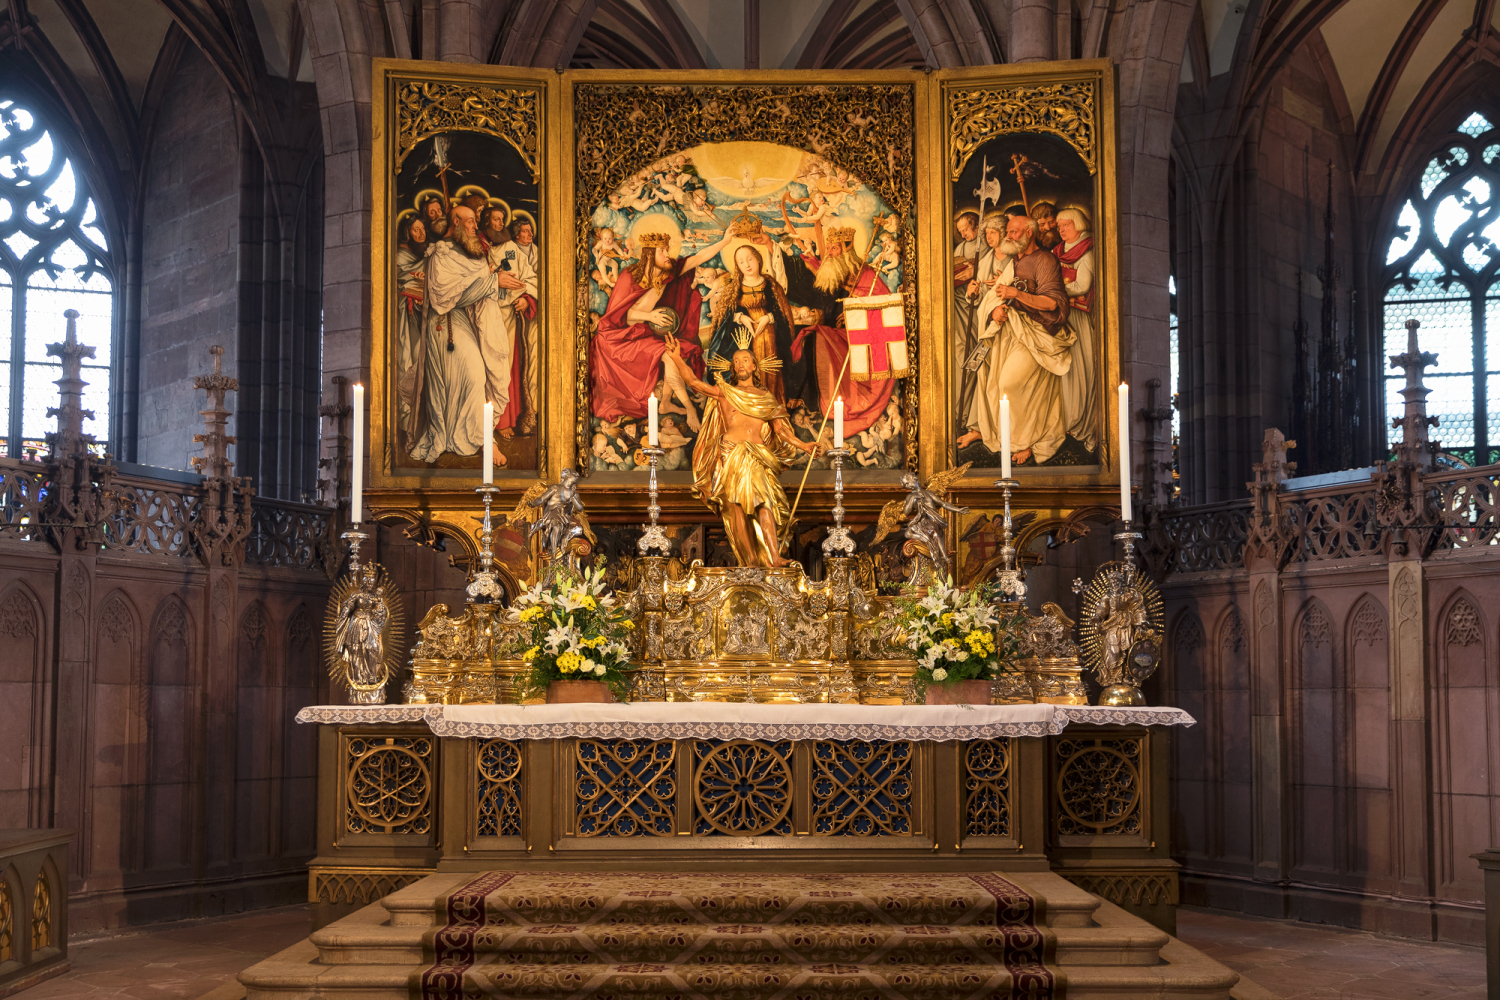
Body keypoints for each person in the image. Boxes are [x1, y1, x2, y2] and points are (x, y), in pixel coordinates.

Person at [663, 334, 819, 567]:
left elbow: (780, 430)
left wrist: (804, 445)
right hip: (731, 453)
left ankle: (774, 557)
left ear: (754, 366)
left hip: (756, 454)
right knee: (735, 506)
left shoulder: (766, 398)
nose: (740, 364)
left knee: (765, 502)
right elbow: (694, 383)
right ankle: (750, 562)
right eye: (736, 361)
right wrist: (676, 358)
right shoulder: (725, 392)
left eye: (745, 360)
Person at [959, 213, 1073, 465]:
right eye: (1008, 231)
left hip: (1037, 334)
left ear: (1029, 233)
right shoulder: (1014, 260)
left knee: (1009, 383)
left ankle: (1027, 441)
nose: (1008, 236)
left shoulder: (1045, 260)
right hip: (1011, 331)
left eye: (1014, 232)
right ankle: (998, 433)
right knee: (993, 382)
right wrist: (994, 310)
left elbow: (1052, 304)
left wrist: (1016, 294)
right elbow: (997, 296)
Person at [589, 229, 732, 424]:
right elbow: (619, 316)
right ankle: (688, 408)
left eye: (667, 250)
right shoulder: (630, 276)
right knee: (667, 353)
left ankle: (666, 403)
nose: (667, 254)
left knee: (674, 352)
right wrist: (650, 316)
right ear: (649, 254)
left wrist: (725, 241)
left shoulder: (667, 273)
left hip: (642, 333)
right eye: (662, 251)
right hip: (619, 338)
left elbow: (698, 258)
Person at [409, 204, 514, 464]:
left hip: (463, 322)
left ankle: (466, 435)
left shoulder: (466, 252)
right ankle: (483, 440)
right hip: (445, 324)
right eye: (470, 221)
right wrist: (493, 282)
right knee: (473, 375)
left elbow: (475, 286)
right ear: (455, 221)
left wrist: (496, 279)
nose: (475, 226)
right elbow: (450, 297)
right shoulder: (441, 254)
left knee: (471, 379)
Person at [706, 243, 798, 405]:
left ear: (758, 259)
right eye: (741, 262)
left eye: (750, 259)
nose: (747, 264)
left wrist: (769, 317)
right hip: (744, 341)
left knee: (772, 373)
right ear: (737, 266)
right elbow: (723, 319)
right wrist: (739, 318)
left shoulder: (772, 285)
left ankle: (772, 406)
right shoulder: (733, 288)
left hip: (770, 339)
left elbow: (783, 313)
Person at [1053, 207, 1098, 453]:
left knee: (1079, 368)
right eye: (1059, 226)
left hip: (1077, 317)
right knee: (1061, 372)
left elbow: (1082, 285)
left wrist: (1053, 290)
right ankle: (1064, 422)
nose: (1061, 229)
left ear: (1078, 225)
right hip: (1059, 315)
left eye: (1066, 225)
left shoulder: (1087, 252)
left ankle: (1079, 422)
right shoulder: (1057, 251)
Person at [395, 216, 428, 440]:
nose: (421, 233)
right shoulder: (400, 256)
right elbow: (402, 280)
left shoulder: (418, 256)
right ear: (407, 232)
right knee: (410, 360)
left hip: (419, 315)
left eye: (423, 229)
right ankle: (408, 422)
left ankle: (419, 422)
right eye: (416, 230)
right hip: (407, 320)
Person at [511, 218, 541, 435]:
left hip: (535, 316)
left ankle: (534, 409)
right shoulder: (509, 251)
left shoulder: (538, 253)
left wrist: (529, 299)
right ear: (516, 234)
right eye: (525, 231)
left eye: (531, 231)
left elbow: (540, 281)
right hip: (513, 314)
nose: (530, 235)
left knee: (534, 363)